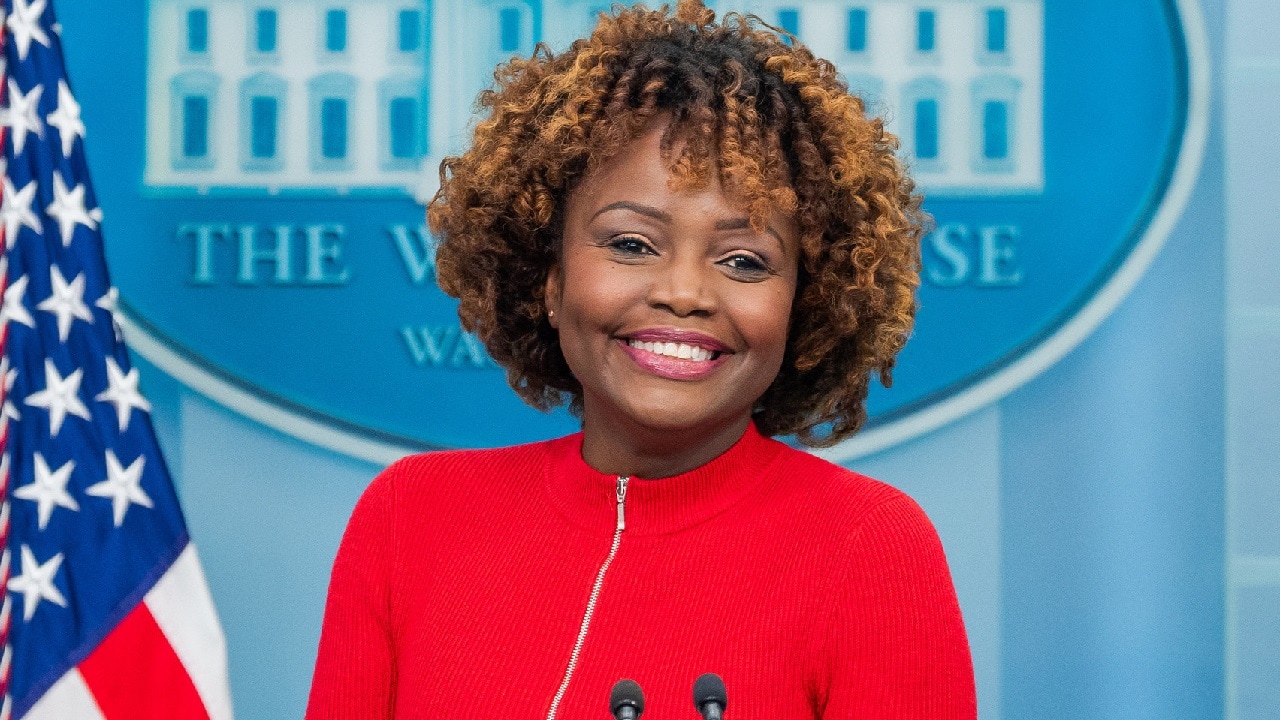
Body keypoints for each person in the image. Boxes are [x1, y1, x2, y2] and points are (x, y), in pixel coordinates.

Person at [306, 2, 976, 717]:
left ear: (802, 304)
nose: (684, 292)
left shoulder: (868, 549)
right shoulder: (411, 518)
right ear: (551, 277)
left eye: (744, 260)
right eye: (631, 244)